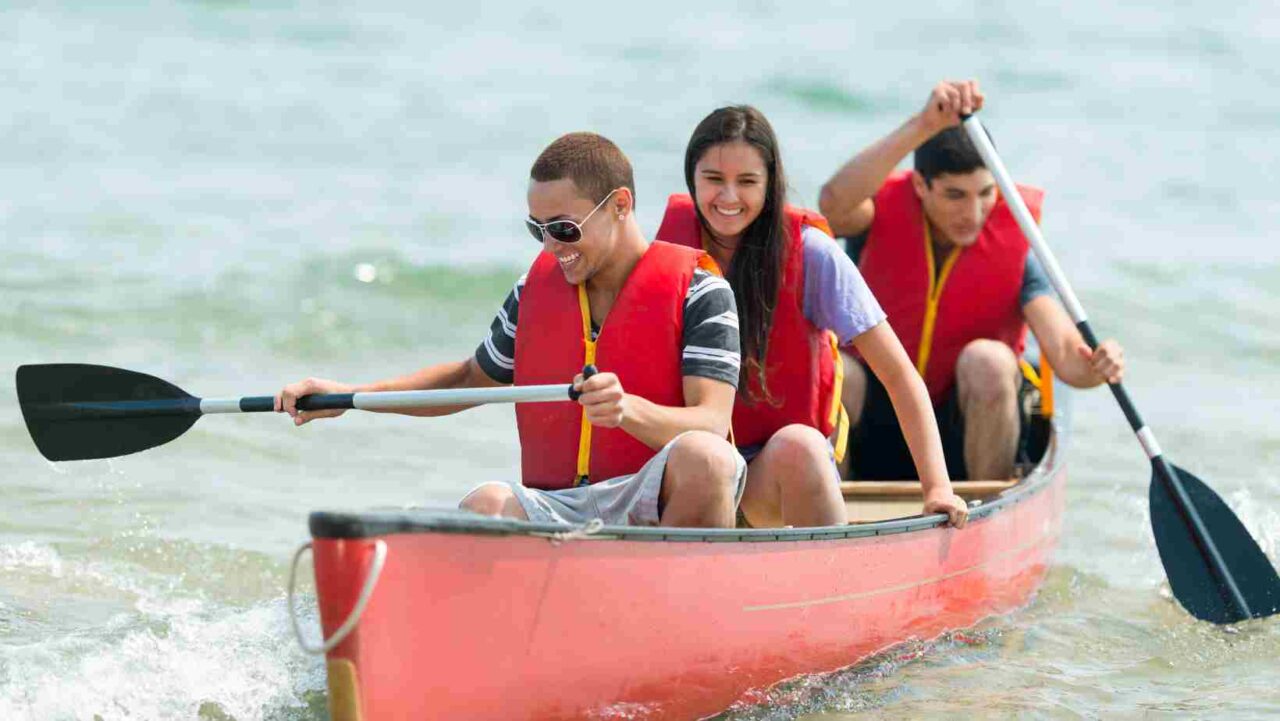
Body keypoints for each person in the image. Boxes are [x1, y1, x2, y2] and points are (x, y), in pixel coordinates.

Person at [276, 132, 747, 528]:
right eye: (536, 228)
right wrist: (351, 396)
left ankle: (670, 608)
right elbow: (466, 379)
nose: (549, 245)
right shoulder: (533, 292)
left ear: (620, 205)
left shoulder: (700, 293)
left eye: (563, 228)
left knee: (708, 460)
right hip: (564, 506)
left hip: (653, 493)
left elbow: (709, 424)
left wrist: (628, 411)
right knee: (485, 505)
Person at [655, 106, 968, 529]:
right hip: (694, 471)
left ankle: (831, 579)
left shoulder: (813, 255)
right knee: (703, 458)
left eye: (747, 182)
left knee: (799, 444)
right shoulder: (664, 254)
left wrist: (938, 489)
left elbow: (899, 375)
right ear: (692, 178)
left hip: (773, 480)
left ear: (771, 185)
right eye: (714, 180)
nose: (728, 198)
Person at [818, 80, 1126, 481]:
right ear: (920, 186)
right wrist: (922, 125)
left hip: (964, 433)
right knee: (837, 368)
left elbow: (1068, 357)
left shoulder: (1017, 248)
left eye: (985, 193)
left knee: (989, 360)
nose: (974, 211)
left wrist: (1100, 366)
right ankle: (835, 515)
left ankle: (986, 511)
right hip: (877, 423)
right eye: (955, 195)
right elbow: (833, 204)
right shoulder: (875, 219)